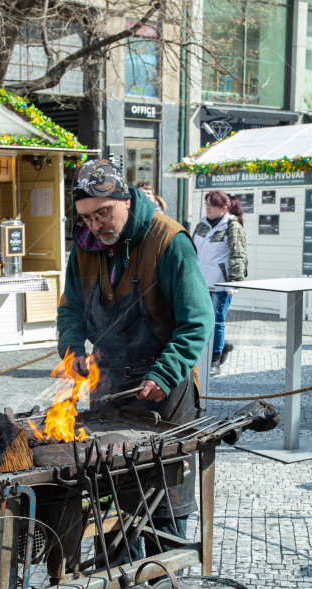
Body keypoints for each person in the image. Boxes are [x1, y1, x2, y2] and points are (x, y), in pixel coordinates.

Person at [57, 159, 214, 559]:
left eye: (103, 213)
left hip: (165, 392)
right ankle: (116, 588)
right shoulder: (85, 247)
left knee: (164, 505)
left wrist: (165, 372)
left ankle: (161, 588)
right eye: (88, 218)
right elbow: (70, 309)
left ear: (125, 198)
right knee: (112, 496)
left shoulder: (169, 241)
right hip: (109, 386)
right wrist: (73, 350)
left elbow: (198, 321)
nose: (96, 225)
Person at [192, 190, 247, 377]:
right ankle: (208, 352)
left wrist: (233, 283)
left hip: (220, 283)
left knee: (216, 321)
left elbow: (238, 254)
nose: (207, 208)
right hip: (200, 281)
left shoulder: (232, 226)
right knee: (200, 320)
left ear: (224, 208)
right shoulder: (201, 224)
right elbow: (192, 250)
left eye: (212, 205)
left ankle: (215, 359)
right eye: (206, 203)